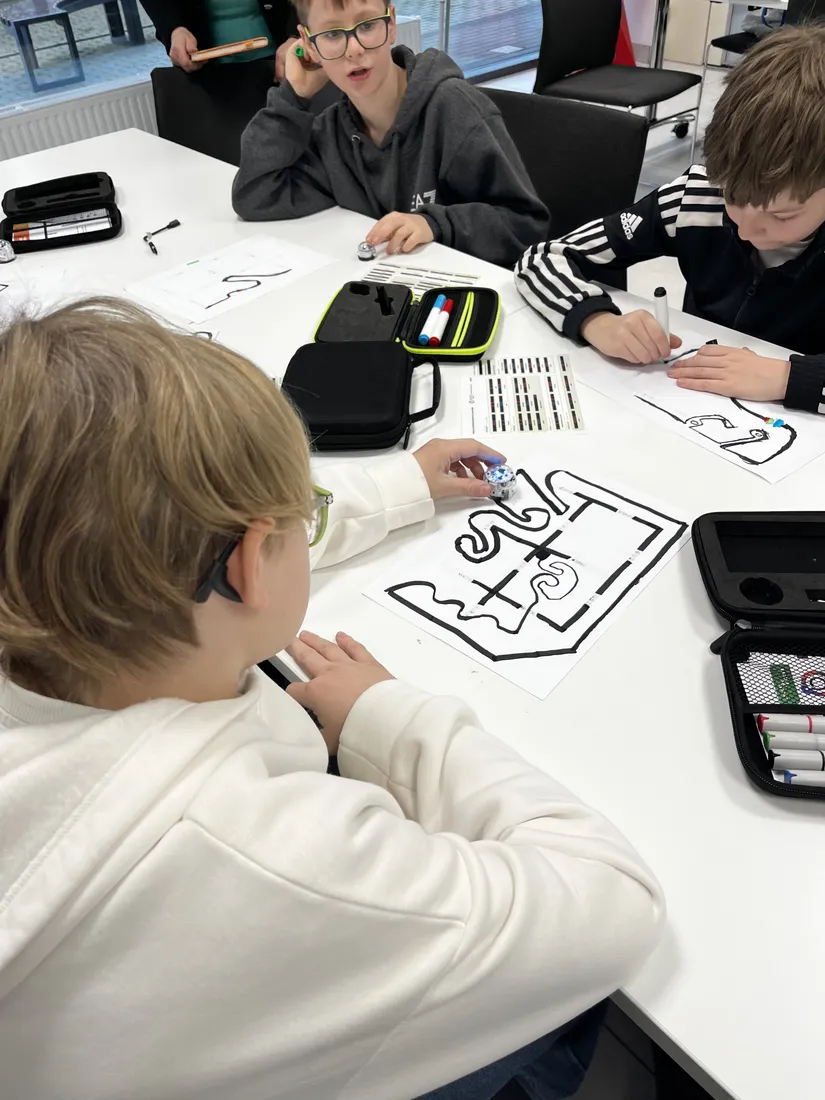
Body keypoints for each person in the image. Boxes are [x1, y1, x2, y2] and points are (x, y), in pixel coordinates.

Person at [0, 298, 663, 1100]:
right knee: (569, 1013)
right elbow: (611, 905)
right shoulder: (270, 853)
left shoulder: (37, 594)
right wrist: (391, 716)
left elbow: (140, 534)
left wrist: (396, 484)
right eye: (302, 514)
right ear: (248, 563)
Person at [515, 25, 825, 416]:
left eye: (782, 216)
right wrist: (595, 319)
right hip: (688, 407)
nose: (746, 230)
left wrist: (789, 378)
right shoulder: (696, 196)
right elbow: (543, 259)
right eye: (732, 197)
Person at [231, 0, 550, 267]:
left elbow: (526, 226)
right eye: (332, 34)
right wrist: (293, 99)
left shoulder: (453, 109)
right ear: (309, 44)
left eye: (368, 25)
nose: (354, 49)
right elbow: (255, 196)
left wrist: (435, 224)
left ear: (392, 23)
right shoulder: (332, 133)